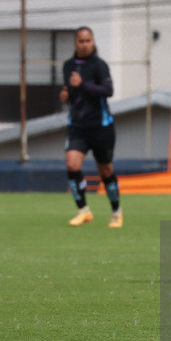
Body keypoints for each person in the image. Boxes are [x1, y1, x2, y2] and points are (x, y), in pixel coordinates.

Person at [60, 26, 122, 228]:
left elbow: (108, 90)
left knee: (105, 170)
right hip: (77, 125)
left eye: (88, 41)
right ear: (75, 43)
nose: (85, 45)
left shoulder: (99, 65)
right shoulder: (68, 65)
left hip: (101, 126)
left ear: (93, 42)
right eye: (81, 41)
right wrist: (66, 96)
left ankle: (116, 211)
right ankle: (83, 210)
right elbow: (73, 94)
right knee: (72, 165)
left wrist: (83, 85)